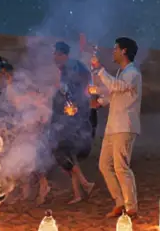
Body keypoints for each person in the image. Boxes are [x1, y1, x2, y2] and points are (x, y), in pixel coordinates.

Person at [90, 37, 142, 217]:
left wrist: (100, 69)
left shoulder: (133, 73)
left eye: (115, 49)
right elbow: (114, 93)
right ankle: (119, 203)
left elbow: (117, 87)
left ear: (124, 51)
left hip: (125, 126)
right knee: (104, 165)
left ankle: (131, 207)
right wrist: (100, 100)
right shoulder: (121, 73)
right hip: (113, 127)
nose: (113, 52)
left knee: (121, 167)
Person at [49, 48, 97, 204]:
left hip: (69, 121)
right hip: (63, 119)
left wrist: (74, 107)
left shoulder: (73, 69)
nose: (55, 56)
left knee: (61, 152)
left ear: (64, 54)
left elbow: (74, 93)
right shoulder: (64, 70)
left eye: (57, 53)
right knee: (69, 155)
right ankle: (78, 192)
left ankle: (85, 183)